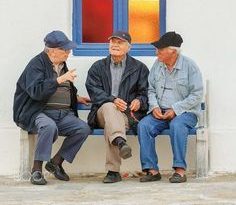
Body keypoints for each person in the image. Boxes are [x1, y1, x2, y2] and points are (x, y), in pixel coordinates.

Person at [13, 30, 91, 185]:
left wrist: (75, 96)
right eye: (66, 49)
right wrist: (59, 80)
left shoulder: (61, 64)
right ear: (54, 51)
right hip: (37, 112)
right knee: (48, 127)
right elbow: (36, 92)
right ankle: (36, 170)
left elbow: (63, 87)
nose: (69, 52)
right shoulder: (36, 64)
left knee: (83, 129)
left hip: (62, 114)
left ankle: (56, 162)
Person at [138, 31, 203, 183]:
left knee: (177, 124)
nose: (157, 52)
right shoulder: (157, 65)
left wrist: (176, 109)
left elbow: (196, 94)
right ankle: (152, 170)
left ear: (173, 51)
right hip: (160, 112)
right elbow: (151, 89)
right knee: (144, 125)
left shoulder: (190, 66)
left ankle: (180, 170)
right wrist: (154, 107)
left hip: (185, 113)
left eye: (160, 49)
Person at [85, 30, 149, 183]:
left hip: (128, 116)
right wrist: (112, 100)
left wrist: (139, 101)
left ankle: (113, 171)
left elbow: (146, 93)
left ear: (129, 47)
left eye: (119, 42)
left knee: (113, 124)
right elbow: (94, 91)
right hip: (102, 113)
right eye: (112, 42)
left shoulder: (140, 68)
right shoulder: (98, 67)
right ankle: (120, 142)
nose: (115, 45)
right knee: (109, 108)